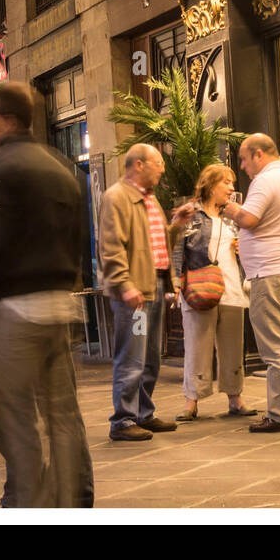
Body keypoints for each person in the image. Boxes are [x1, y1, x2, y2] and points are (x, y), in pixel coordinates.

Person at [0, 82, 94, 506]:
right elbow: (79, 240)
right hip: (60, 306)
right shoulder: (61, 168)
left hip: (12, 312)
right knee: (62, 414)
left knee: (14, 418)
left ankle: (29, 504)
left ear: (5, 120)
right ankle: (73, 501)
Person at [220, 134, 280, 434]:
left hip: (270, 275)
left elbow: (249, 219)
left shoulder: (264, 180)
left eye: (244, 159)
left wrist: (230, 208)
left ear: (259, 154)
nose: (244, 167)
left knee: (277, 348)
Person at [99, 143, 178, 442]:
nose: (162, 169)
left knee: (150, 358)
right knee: (131, 357)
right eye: (158, 163)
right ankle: (122, 420)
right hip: (134, 291)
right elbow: (111, 246)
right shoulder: (117, 197)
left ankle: (143, 413)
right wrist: (125, 283)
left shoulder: (150, 200)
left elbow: (155, 243)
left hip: (153, 285)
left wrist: (177, 227)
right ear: (139, 165)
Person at [169, 164, 254, 421]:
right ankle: (191, 401)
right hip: (198, 286)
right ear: (210, 185)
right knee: (197, 346)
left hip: (231, 287)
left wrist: (244, 249)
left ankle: (235, 398)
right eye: (225, 182)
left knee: (232, 347)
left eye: (232, 182)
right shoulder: (191, 214)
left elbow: (249, 246)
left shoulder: (234, 217)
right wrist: (174, 282)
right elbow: (175, 248)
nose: (231, 187)